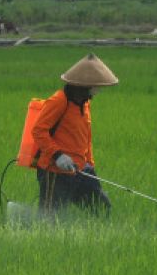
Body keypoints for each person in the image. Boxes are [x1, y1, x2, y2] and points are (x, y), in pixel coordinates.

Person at [32, 53, 119, 214]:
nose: (98, 90)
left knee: (101, 209)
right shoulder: (59, 101)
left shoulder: (84, 104)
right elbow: (38, 131)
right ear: (84, 86)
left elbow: (85, 137)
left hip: (81, 170)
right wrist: (58, 156)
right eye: (96, 86)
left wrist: (89, 163)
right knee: (51, 219)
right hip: (55, 172)